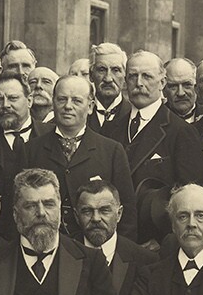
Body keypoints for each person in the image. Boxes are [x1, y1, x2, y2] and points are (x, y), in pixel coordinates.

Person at [104, 50, 203, 241]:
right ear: (125, 82)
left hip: (155, 242)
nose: (139, 83)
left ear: (162, 83)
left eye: (147, 76)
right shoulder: (111, 128)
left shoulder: (180, 132)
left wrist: (165, 241)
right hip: (114, 240)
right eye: (133, 76)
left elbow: (191, 197)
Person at [26, 73, 135, 235]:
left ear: (90, 106)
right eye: (62, 99)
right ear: (53, 103)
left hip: (95, 246)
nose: (68, 106)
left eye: (76, 101)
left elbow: (127, 213)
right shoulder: (30, 150)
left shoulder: (112, 151)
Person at [75, 176, 155, 295]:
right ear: (76, 217)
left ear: (119, 214)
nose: (96, 218)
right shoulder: (62, 254)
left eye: (104, 210)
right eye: (87, 211)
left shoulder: (145, 261)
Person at [89, 40, 129, 133]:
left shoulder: (133, 115)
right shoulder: (80, 114)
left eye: (115, 70)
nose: (108, 79)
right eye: (102, 70)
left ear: (125, 76)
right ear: (91, 75)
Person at [162, 57, 200, 121]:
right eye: (173, 86)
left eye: (187, 85)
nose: (180, 93)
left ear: (197, 87)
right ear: (164, 90)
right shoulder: (154, 120)